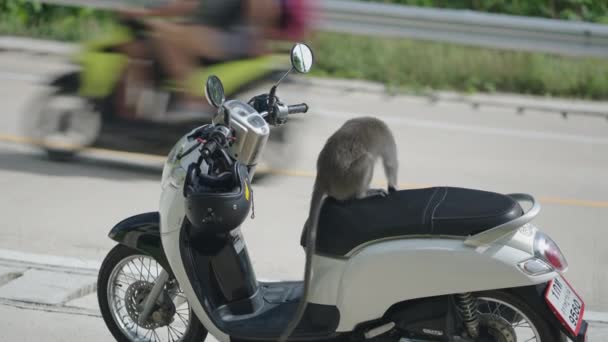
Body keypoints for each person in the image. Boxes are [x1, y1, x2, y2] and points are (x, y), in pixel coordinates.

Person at [119, 0, 313, 118]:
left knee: (166, 35)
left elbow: (263, 7)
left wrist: (257, 36)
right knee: (144, 43)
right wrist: (144, 15)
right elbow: (183, 6)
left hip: (235, 39)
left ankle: (194, 100)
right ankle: (132, 113)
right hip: (208, 35)